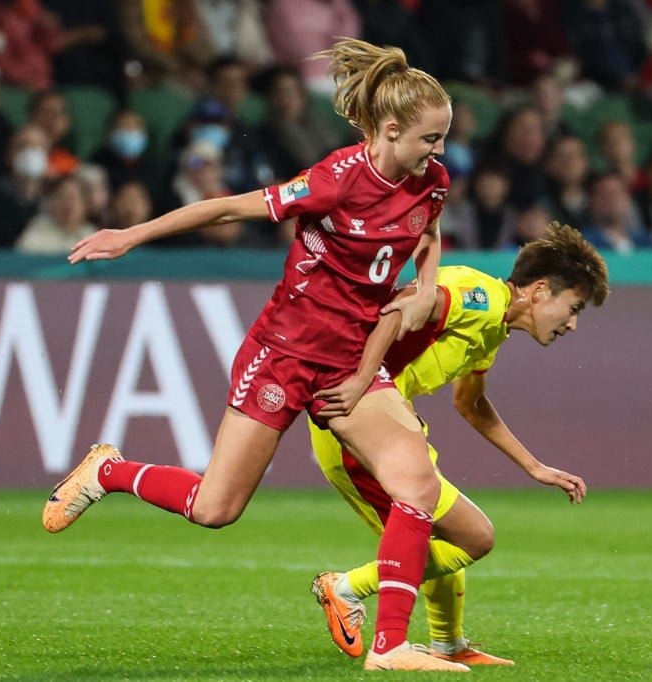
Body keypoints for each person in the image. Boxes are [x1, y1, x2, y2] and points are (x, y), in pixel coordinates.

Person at [41, 38, 470, 673]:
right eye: (430, 139)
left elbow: (428, 227)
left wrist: (428, 284)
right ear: (389, 130)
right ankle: (109, 472)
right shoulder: (334, 181)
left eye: (442, 139)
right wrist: (132, 235)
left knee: (415, 481)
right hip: (285, 354)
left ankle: (391, 648)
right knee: (216, 509)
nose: (439, 153)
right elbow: (226, 208)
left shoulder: (429, 179)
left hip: (352, 359)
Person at [307, 222, 608, 667]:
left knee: (435, 540)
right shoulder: (477, 297)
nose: (573, 324)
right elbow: (398, 307)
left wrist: (533, 467)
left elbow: (472, 403)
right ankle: (346, 588)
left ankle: (448, 644)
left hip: (389, 431)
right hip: (358, 434)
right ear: (541, 291)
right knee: (473, 536)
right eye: (574, 306)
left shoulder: (493, 328)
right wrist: (372, 382)